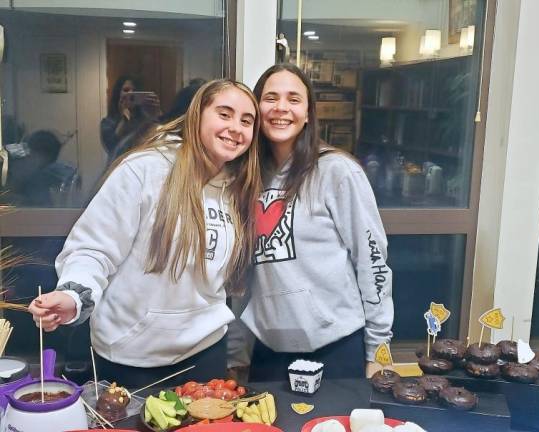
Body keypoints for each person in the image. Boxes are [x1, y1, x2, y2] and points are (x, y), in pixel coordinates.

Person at [28, 79, 262, 387]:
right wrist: (74, 295)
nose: (236, 127)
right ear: (197, 115)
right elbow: (94, 249)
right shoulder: (145, 170)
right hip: (130, 354)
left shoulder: (238, 188)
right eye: (224, 113)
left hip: (205, 351)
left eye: (247, 121)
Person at [239, 64, 394, 380]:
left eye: (294, 99)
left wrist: (380, 351)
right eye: (271, 97)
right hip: (268, 351)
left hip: (336, 347)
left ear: (308, 114)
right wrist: (235, 353)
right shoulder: (245, 179)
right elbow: (241, 278)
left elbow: (372, 261)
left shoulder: (337, 171)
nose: (282, 107)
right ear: (257, 109)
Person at [100, 76, 161, 163]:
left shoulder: (145, 119)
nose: (130, 93)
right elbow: (111, 147)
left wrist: (156, 114)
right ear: (118, 94)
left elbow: (158, 140)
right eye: (126, 90)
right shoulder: (107, 123)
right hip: (117, 167)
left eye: (134, 90)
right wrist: (124, 119)